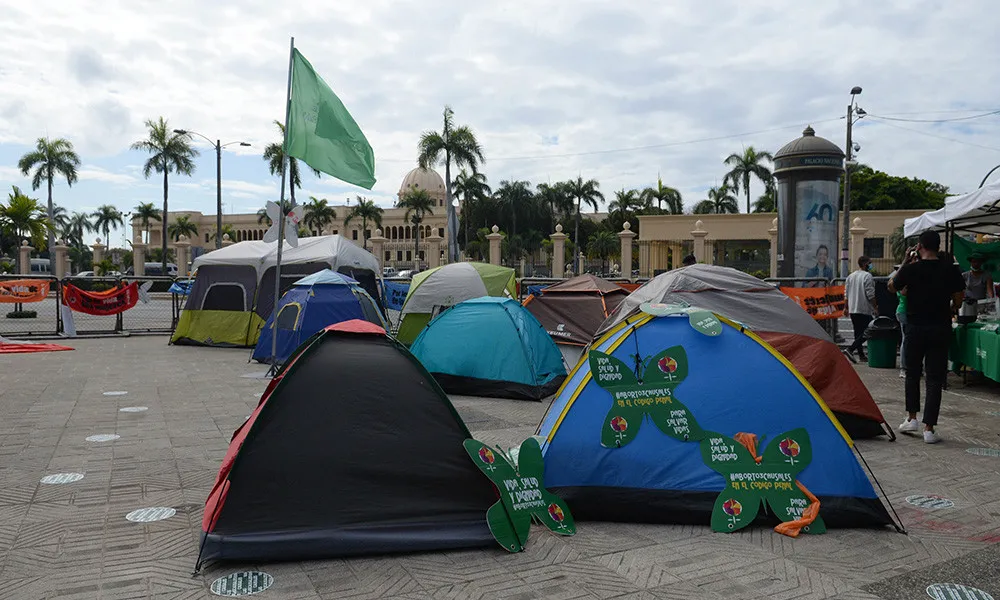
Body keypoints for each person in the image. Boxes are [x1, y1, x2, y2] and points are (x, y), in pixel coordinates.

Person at [888, 230, 965, 444]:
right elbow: (959, 298)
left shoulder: (911, 270)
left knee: (912, 374)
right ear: (938, 247)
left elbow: (891, 286)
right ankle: (929, 429)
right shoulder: (950, 269)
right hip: (940, 327)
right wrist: (950, 304)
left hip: (914, 327)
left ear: (919, 247)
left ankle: (911, 417)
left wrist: (905, 261)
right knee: (934, 378)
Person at [889, 248, 918, 379]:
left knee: (910, 340)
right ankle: (904, 368)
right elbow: (900, 290)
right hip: (904, 311)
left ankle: (909, 367)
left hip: (909, 311)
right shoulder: (906, 275)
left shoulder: (910, 274)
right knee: (906, 340)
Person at [845, 256, 877, 361]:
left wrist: (846, 307)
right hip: (864, 309)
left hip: (853, 308)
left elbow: (846, 293)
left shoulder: (851, 276)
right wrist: (875, 307)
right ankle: (851, 349)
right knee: (870, 330)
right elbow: (871, 295)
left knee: (858, 332)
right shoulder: (867, 276)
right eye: (869, 263)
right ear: (864, 264)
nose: (871, 265)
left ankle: (861, 354)